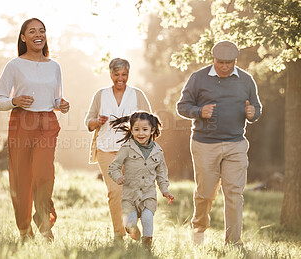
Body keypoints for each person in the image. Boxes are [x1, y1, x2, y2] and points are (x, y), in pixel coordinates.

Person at [176, 40, 262, 245]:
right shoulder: (198, 78)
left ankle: (233, 242)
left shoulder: (246, 80)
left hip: (236, 143)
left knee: (234, 193)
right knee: (205, 192)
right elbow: (182, 106)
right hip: (205, 144)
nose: (225, 66)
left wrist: (253, 114)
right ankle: (199, 229)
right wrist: (199, 112)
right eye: (220, 62)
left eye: (229, 63)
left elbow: (257, 108)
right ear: (213, 59)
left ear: (235, 61)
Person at [0, 17, 69, 242]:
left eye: (42, 31)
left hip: (47, 123)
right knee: (22, 177)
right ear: (23, 37)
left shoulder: (55, 66)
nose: (38, 34)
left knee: (45, 174)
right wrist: (14, 100)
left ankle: (44, 221)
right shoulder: (14, 65)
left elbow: (56, 100)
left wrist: (62, 105)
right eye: (32, 31)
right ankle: (24, 230)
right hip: (21, 122)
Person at [84, 58, 151, 240]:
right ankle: (119, 235)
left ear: (128, 74)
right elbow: (88, 122)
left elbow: (149, 122)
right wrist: (97, 121)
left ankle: (131, 222)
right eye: (116, 74)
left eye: (124, 75)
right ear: (110, 74)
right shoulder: (101, 95)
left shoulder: (137, 94)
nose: (120, 78)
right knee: (115, 192)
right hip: (106, 150)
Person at [108, 111, 174, 249]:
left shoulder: (158, 151)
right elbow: (113, 167)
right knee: (130, 225)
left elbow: (162, 173)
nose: (141, 133)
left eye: (145, 129)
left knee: (148, 218)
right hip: (130, 195)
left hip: (148, 194)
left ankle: (146, 248)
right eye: (136, 129)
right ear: (131, 130)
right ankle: (134, 238)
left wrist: (165, 190)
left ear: (152, 130)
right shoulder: (126, 148)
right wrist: (118, 177)